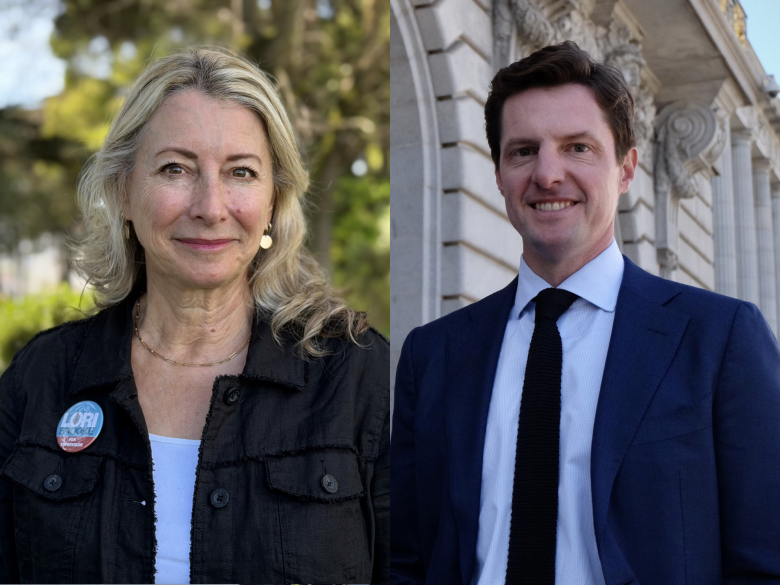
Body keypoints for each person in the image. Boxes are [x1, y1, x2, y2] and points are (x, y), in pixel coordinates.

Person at [390, 41, 780, 585]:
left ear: (625, 170)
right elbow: (406, 559)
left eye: (578, 148)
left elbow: (766, 562)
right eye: (523, 151)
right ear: (500, 175)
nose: (548, 174)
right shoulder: (432, 355)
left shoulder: (720, 340)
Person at [0, 47, 389, 584]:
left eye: (241, 172)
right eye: (175, 169)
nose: (210, 206)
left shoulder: (354, 378)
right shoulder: (42, 378)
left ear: (273, 201)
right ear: (124, 194)